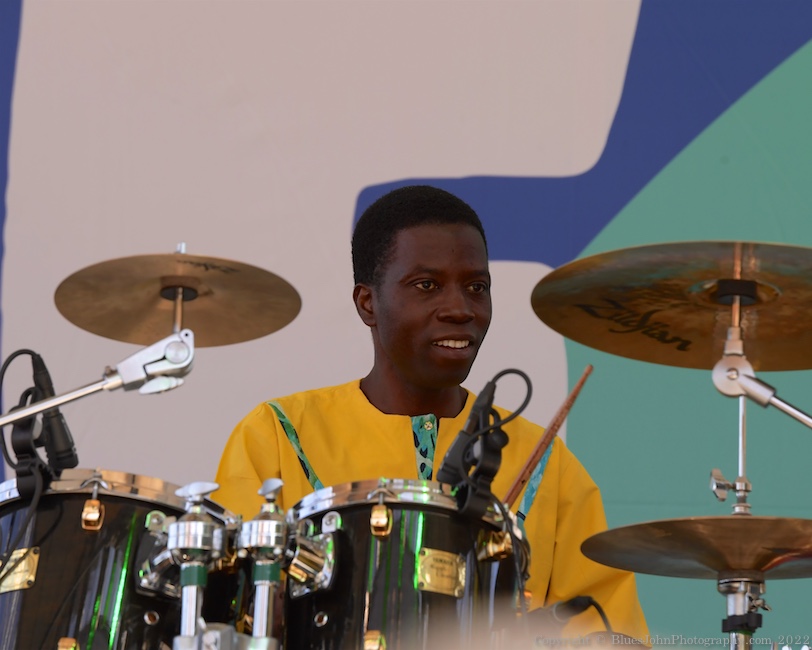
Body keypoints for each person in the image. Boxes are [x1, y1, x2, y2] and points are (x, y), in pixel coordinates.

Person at [213, 185, 649, 641]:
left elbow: (611, 632)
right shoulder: (277, 435)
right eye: (427, 285)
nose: (460, 309)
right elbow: (227, 612)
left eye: (476, 287)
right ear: (368, 303)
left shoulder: (547, 464)